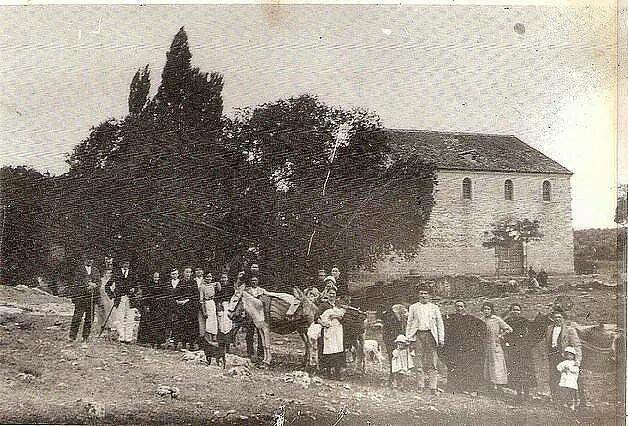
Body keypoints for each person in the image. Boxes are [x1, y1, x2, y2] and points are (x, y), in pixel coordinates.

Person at [405, 287, 444, 395]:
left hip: (431, 336)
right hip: (418, 335)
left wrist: (441, 339)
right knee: (418, 360)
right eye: (421, 293)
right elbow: (409, 323)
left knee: (432, 361)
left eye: (425, 293)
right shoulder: (413, 307)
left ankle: (433, 387)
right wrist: (408, 337)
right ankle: (420, 386)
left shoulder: (434, 308)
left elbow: (439, 324)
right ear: (418, 295)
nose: (423, 295)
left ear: (429, 295)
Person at [443, 300, 485, 395]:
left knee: (464, 367)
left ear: (464, 307)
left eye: (461, 306)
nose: (459, 308)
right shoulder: (450, 317)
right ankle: (452, 387)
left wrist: (474, 339)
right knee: (453, 366)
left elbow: (482, 325)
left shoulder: (469, 318)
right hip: (453, 346)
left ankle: (464, 387)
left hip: (465, 346)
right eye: (457, 306)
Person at [545, 309, 582, 401]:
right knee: (554, 377)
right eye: (555, 317)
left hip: (565, 358)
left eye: (559, 317)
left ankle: (578, 401)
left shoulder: (569, 330)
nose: (557, 319)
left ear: (563, 318)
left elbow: (576, 346)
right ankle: (556, 398)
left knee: (570, 379)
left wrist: (577, 360)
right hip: (553, 356)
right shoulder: (549, 328)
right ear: (552, 319)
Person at [503, 303, 537, 399]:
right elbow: (505, 334)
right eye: (513, 310)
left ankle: (526, 392)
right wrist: (507, 343)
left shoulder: (524, 321)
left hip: (524, 350)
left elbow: (530, 334)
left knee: (525, 370)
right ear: (510, 311)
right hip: (512, 349)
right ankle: (518, 392)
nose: (515, 312)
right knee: (515, 370)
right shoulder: (507, 321)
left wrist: (526, 343)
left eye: (517, 310)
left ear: (520, 311)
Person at [69, 255, 101, 344]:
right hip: (81, 298)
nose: (90, 261)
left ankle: (85, 336)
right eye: (88, 259)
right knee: (77, 317)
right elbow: (76, 282)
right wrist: (86, 286)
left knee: (89, 318)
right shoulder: (79, 270)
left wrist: (95, 285)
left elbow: (99, 282)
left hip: (91, 298)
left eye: (91, 259)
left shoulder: (95, 270)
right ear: (84, 260)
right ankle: (72, 336)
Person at [481, 302, 513, 392]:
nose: (486, 311)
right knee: (487, 364)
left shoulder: (496, 319)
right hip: (486, 345)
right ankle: (490, 385)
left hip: (495, 345)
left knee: (497, 364)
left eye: (488, 309)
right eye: (484, 309)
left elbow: (509, 329)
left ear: (491, 310)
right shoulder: (482, 320)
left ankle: (499, 385)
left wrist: (501, 335)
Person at [106, 259, 138, 344]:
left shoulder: (133, 273)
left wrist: (134, 289)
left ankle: (128, 338)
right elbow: (107, 286)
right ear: (121, 264)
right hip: (120, 298)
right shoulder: (116, 274)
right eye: (124, 263)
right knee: (119, 318)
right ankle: (121, 336)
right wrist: (112, 296)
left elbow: (136, 285)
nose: (126, 265)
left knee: (130, 318)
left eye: (128, 263)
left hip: (130, 299)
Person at [318, 288, 346, 379]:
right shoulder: (323, 305)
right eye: (330, 293)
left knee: (338, 350)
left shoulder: (338, 305)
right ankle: (328, 373)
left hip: (337, 330)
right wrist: (323, 323)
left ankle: (338, 373)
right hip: (328, 330)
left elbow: (343, 317)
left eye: (333, 293)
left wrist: (337, 316)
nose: (332, 295)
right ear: (327, 294)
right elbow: (316, 317)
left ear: (335, 295)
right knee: (329, 350)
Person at [137, 271, 168, 347]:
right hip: (151, 307)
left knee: (159, 325)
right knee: (151, 325)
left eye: (157, 277)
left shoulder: (162, 285)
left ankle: (159, 342)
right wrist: (146, 305)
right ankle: (151, 342)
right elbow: (146, 297)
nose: (156, 279)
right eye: (155, 277)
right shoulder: (149, 285)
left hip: (159, 307)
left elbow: (164, 296)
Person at [199, 271, 221, 344]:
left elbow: (219, 287)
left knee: (213, 321)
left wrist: (218, 283)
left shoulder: (212, 285)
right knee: (207, 322)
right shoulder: (202, 286)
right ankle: (207, 340)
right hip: (206, 304)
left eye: (210, 277)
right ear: (204, 278)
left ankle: (214, 338)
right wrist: (204, 311)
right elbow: (201, 300)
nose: (209, 278)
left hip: (212, 303)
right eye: (207, 277)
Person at [556, 346, 580, 410]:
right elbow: (558, 367)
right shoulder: (564, 362)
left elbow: (576, 370)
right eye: (568, 355)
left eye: (571, 355)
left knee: (571, 394)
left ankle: (572, 405)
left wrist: (569, 368)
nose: (569, 356)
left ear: (573, 356)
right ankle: (565, 404)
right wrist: (563, 369)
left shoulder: (574, 363)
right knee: (565, 393)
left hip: (571, 382)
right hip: (565, 381)